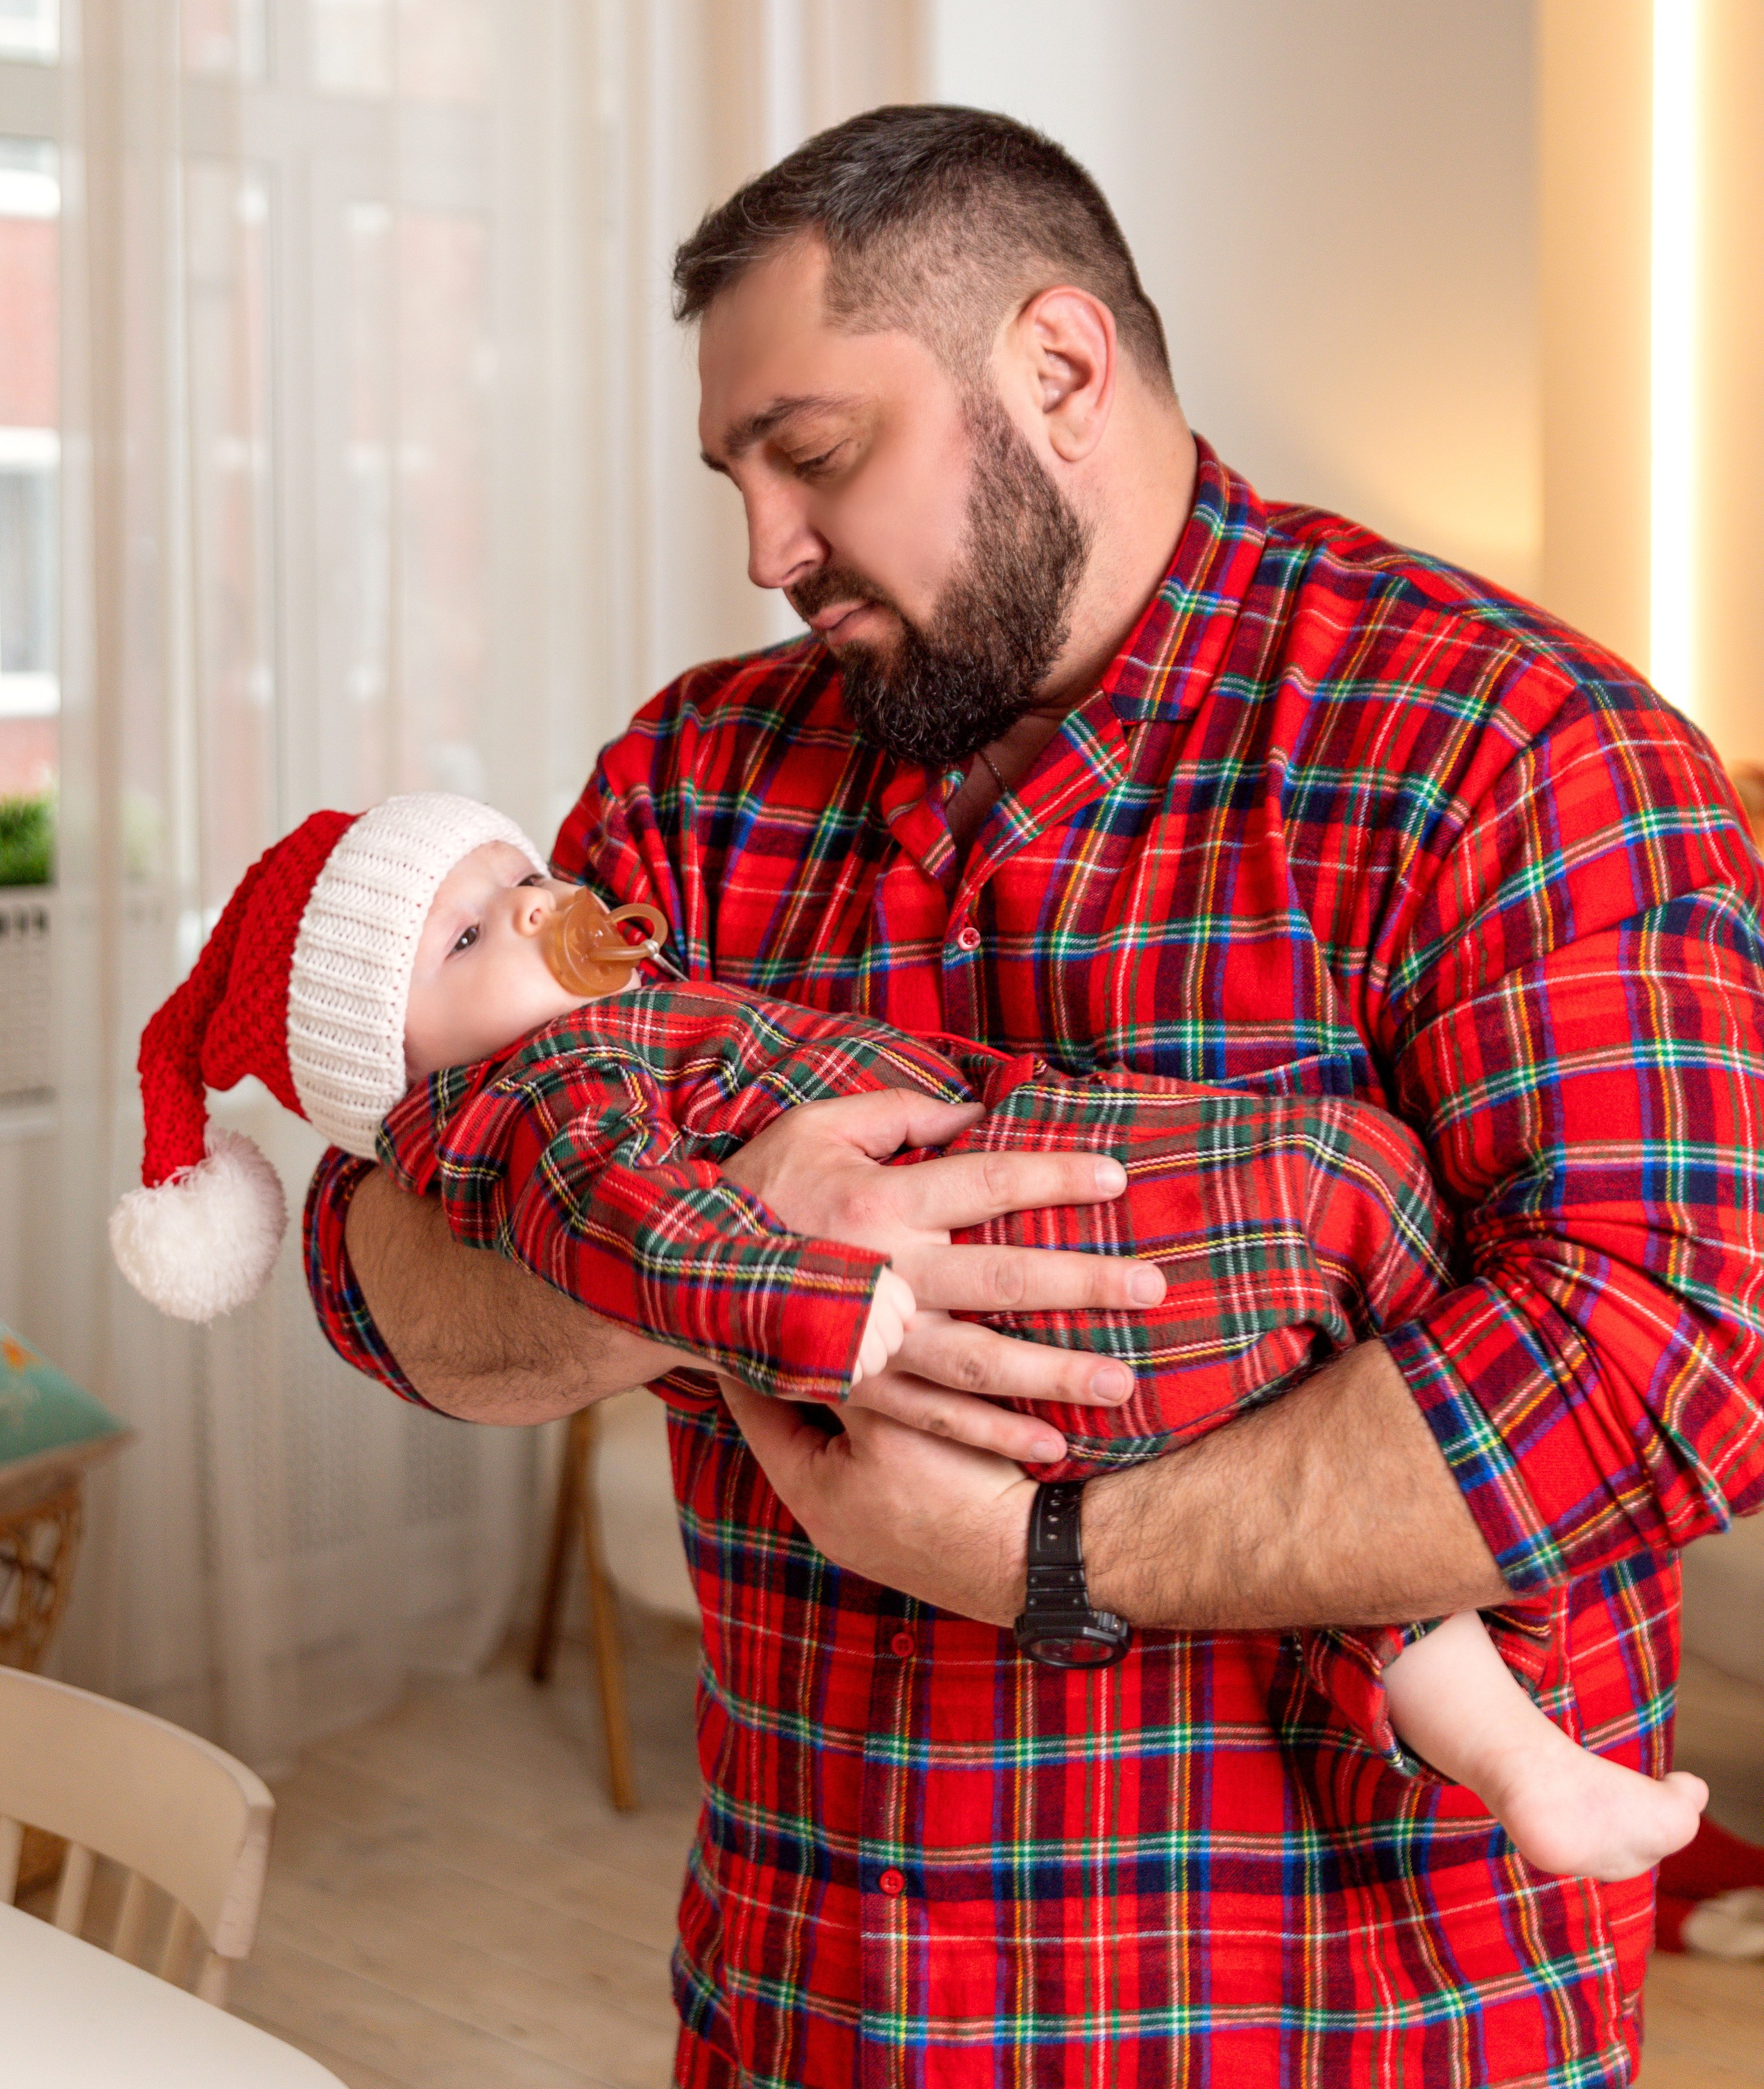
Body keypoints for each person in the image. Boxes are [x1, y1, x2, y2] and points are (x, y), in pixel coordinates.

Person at [302, 108, 1764, 2086]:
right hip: (821, 2011)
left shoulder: (1510, 750)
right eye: (739, 476)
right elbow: (401, 1267)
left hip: (1356, 2028)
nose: (767, 550)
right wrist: (712, 1256)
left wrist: (1052, 1561)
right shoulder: (691, 782)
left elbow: (1676, 1357)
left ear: (1059, 371)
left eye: (814, 456)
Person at [114, 789, 1707, 1894]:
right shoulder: (540, 1105)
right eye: (464, 945)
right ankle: (1511, 1746)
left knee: (1318, 1400)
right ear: (402, 1090)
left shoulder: (615, 1011)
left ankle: (1515, 1759)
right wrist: (831, 1299)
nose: (533, 911)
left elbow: (1675, 1330)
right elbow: (651, 1246)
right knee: (1345, 1198)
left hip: (1021, 1305)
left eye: (513, 877)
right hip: (983, 1286)